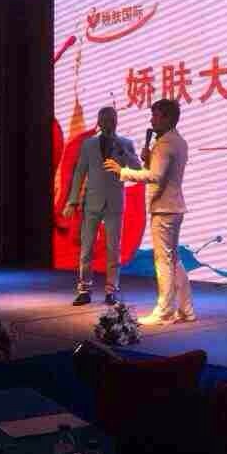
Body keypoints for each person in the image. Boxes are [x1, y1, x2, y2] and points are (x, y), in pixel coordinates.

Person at [104, 98, 195, 326]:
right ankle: (186, 309)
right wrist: (148, 159)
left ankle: (164, 311)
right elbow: (159, 172)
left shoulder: (164, 144)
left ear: (167, 118)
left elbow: (155, 176)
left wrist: (122, 171)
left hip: (164, 209)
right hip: (173, 207)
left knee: (163, 261)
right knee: (173, 260)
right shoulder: (179, 141)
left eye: (155, 116)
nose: (151, 120)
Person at [63, 106, 140, 306]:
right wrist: (72, 201)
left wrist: (125, 153)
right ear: (99, 122)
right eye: (105, 120)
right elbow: (79, 172)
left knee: (113, 249)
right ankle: (84, 289)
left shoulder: (125, 143)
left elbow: (137, 168)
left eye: (112, 119)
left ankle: (111, 291)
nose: (109, 123)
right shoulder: (88, 144)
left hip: (114, 202)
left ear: (117, 121)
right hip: (92, 203)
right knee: (86, 248)